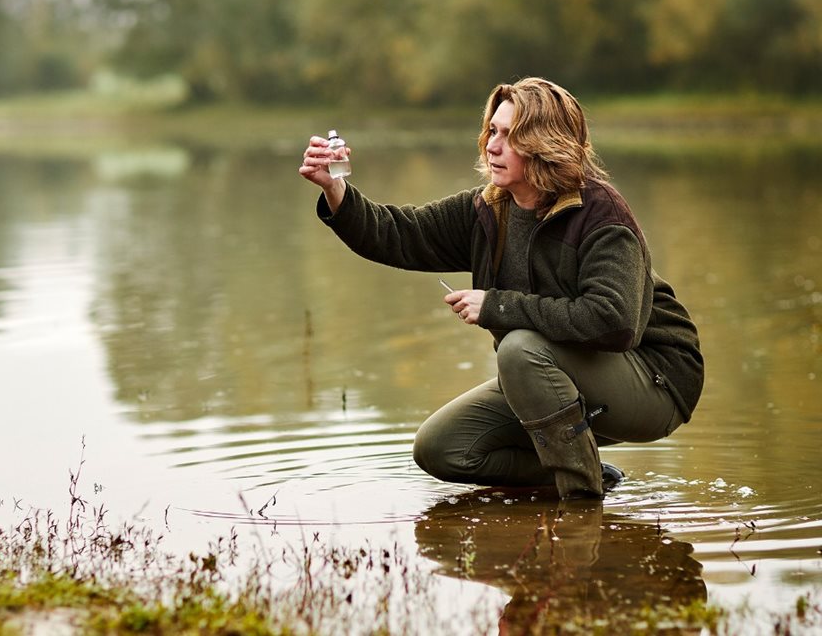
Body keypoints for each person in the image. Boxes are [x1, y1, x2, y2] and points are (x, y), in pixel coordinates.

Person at [298, 77, 703, 498]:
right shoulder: (490, 209)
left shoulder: (600, 213)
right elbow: (398, 234)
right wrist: (336, 189)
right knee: (442, 448)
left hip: (654, 379)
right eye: (493, 130)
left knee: (518, 348)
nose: (492, 145)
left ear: (545, 144)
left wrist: (496, 306)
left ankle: (582, 507)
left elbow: (614, 322)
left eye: (510, 136)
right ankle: (591, 474)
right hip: (549, 370)